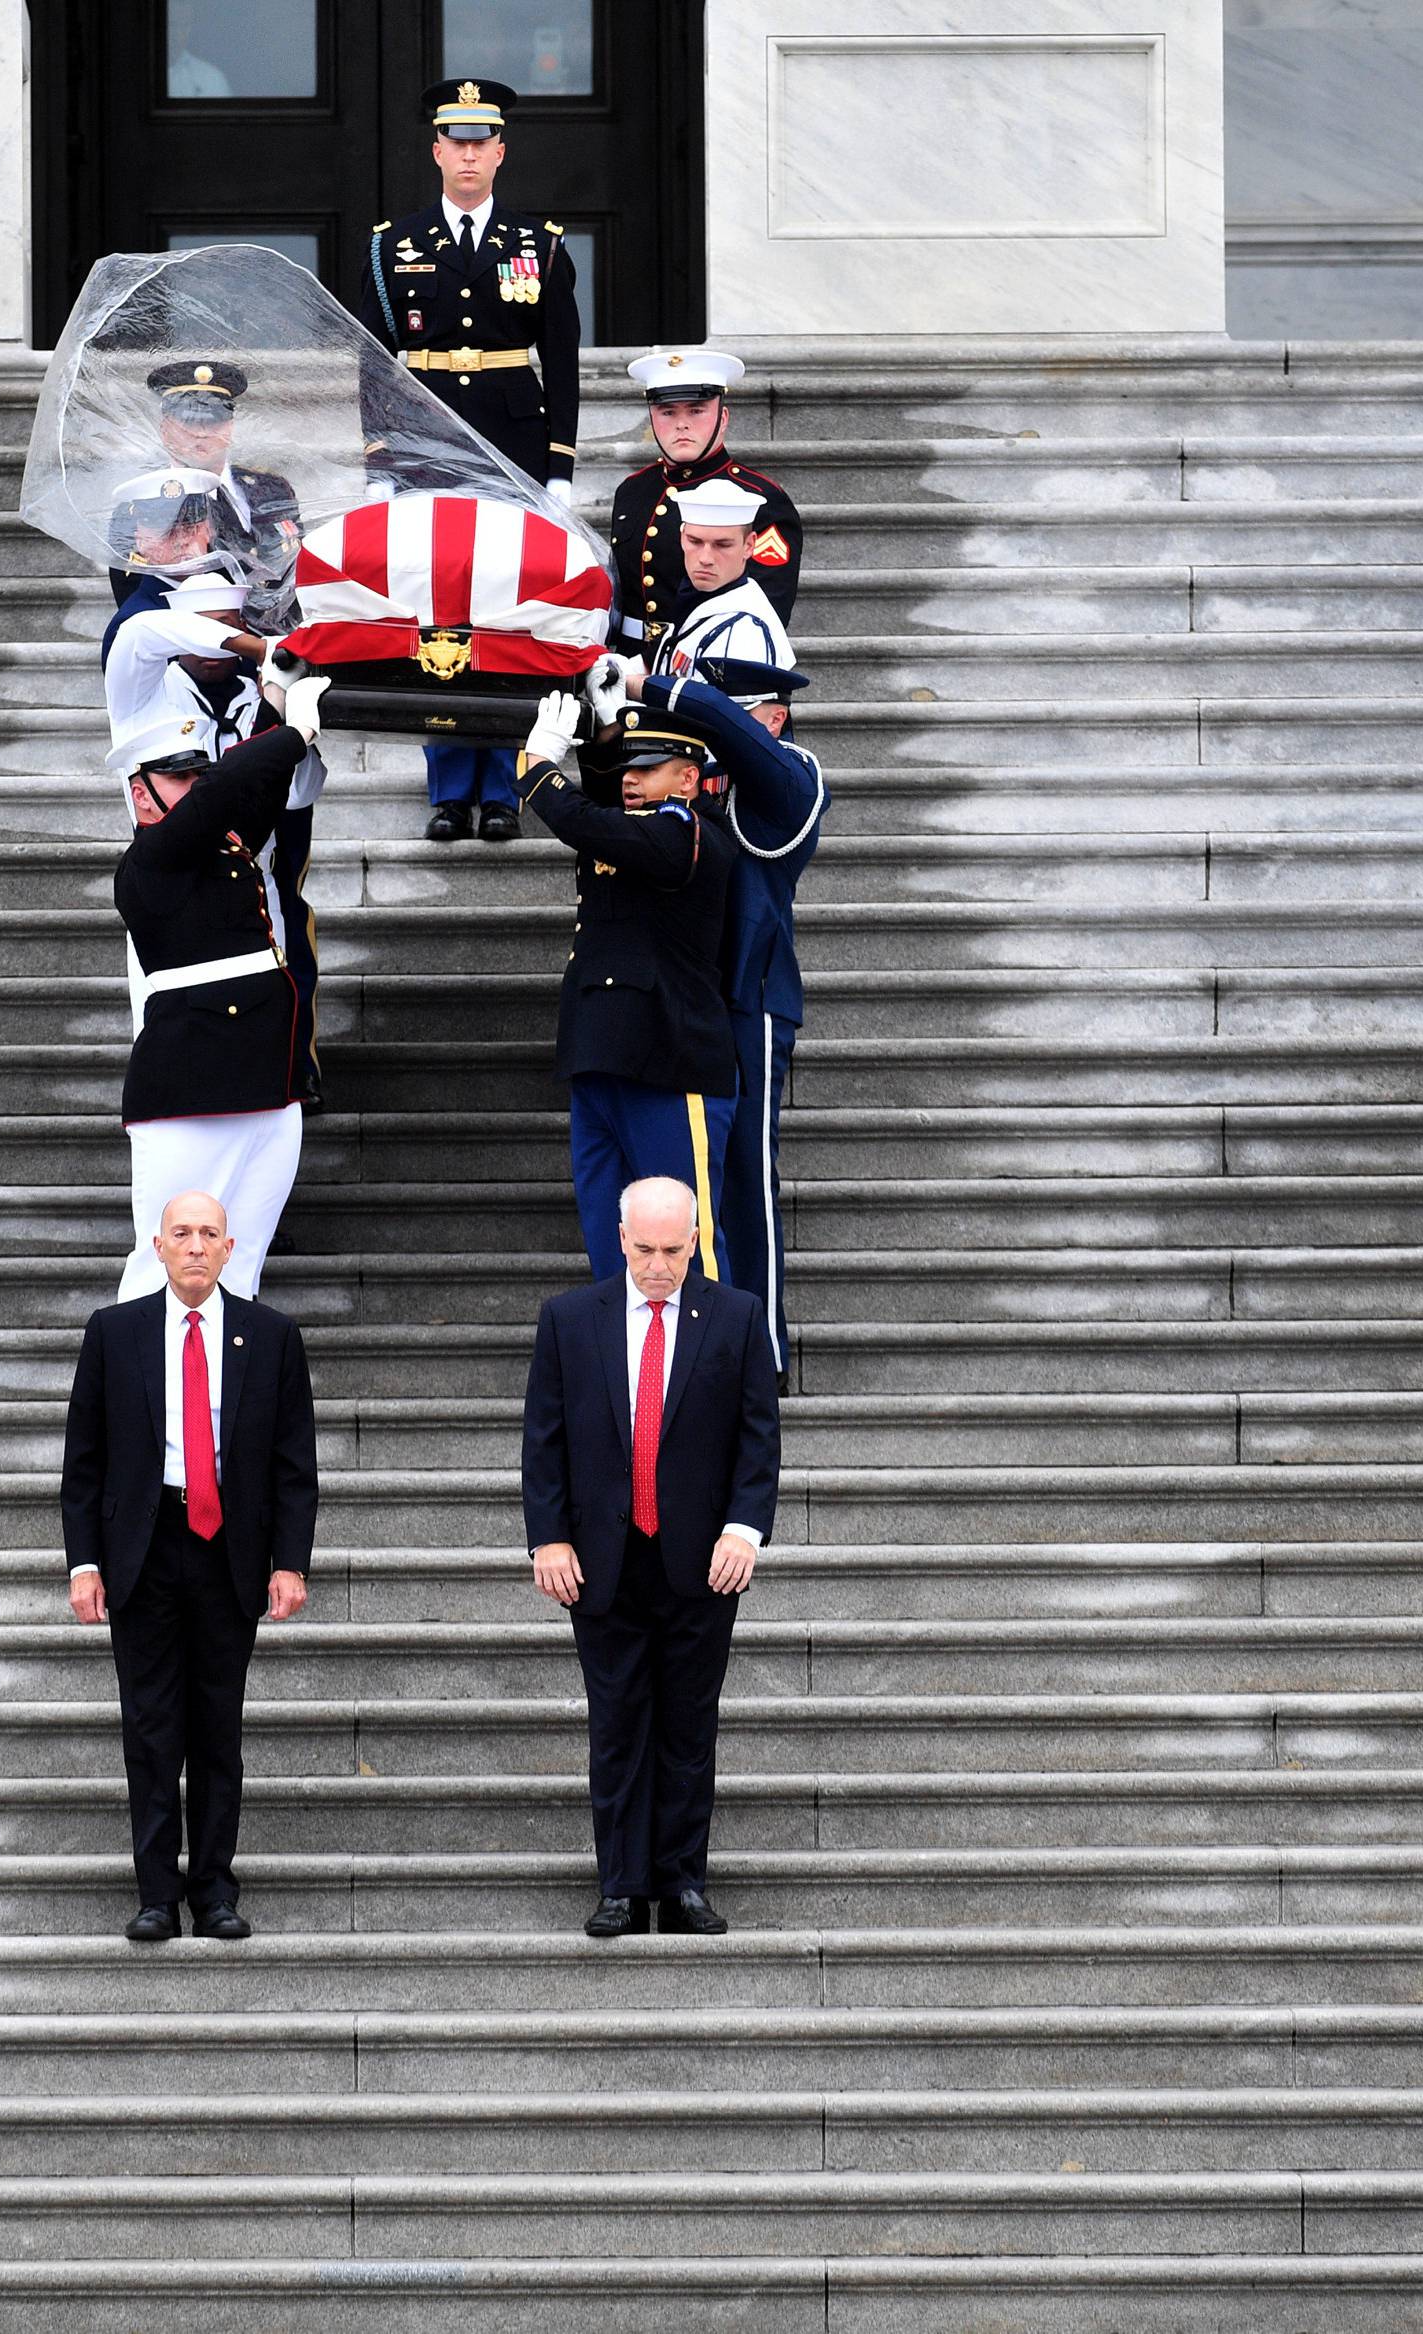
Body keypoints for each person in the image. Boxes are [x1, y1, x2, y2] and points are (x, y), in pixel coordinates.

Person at [522, 1175, 780, 1937]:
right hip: (602, 1558)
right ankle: (621, 1886)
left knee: (688, 1724)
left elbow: (758, 1438)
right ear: (621, 1238)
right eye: (645, 1249)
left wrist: (745, 1528)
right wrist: (549, 1536)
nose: (659, 1265)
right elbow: (545, 1440)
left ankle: (683, 1883)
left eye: (673, 1249)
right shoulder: (571, 1320)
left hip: (701, 1561)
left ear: (695, 1242)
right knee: (618, 1721)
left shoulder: (736, 1318)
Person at [62, 1188, 318, 1942]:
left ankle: (213, 1891)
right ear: (159, 1245)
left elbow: (293, 1465)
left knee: (216, 1730)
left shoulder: (270, 1337)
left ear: (230, 1249)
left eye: (211, 1233)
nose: (198, 1245)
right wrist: (84, 1564)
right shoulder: (115, 1333)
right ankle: (153, 1894)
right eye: (184, 1233)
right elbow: (85, 1463)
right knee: (149, 1727)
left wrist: (290, 1563)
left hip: (229, 1550)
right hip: (144, 1548)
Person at [358, 77, 581, 844]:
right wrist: (381, 457)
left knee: (508, 609)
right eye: (455, 142)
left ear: (500, 153)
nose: (468, 155)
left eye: (482, 142)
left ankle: (504, 788)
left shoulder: (540, 245)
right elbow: (373, 363)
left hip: (514, 443)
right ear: (436, 151)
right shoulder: (395, 245)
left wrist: (558, 466)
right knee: (438, 614)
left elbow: (561, 360)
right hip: (427, 446)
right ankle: (450, 790)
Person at [595, 652, 829, 1382]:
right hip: (687, 1009)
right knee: (686, 1191)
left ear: (774, 718)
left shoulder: (791, 779)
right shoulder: (692, 792)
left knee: (745, 1185)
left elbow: (731, 730)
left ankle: (758, 1356)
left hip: (747, 1006)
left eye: (721, 715)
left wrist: (657, 684)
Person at [108, 669, 329, 1303]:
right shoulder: (149, 861)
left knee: (243, 1267)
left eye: (198, 774)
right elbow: (224, 794)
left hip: (266, 1085)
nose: (196, 786)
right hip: (190, 1096)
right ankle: (139, 1402)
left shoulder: (223, 848)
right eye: (178, 776)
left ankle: (224, 1403)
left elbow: (248, 795)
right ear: (141, 795)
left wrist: (273, 700)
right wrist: (293, 733)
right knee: (166, 1271)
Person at [516, 689, 738, 1282]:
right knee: (613, 1252)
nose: (631, 779)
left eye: (648, 769)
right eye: (628, 769)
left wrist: (540, 767)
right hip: (600, 1057)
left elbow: (592, 825)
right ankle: (631, 1373)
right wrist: (606, 734)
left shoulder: (689, 832)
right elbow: (602, 819)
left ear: (689, 779)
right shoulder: (634, 829)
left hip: (669, 1060)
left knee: (687, 1247)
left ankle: (710, 1373)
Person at [103, 545, 326, 1108]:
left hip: (247, 876)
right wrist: (257, 646)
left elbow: (294, 796)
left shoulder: (263, 695)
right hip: (171, 885)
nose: (217, 640)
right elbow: (142, 632)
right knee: (170, 1024)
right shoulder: (144, 690)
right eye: (205, 627)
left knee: (261, 1014)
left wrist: (285, 704)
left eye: (232, 623)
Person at [610, 349, 801, 660]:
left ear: (722, 418)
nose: (681, 424)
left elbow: (765, 611)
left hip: (706, 665)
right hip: (628, 663)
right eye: (668, 412)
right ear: (652, 419)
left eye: (696, 411)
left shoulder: (759, 498)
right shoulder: (633, 491)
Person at [110, 361, 302, 630]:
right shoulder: (139, 501)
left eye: (213, 420)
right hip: (184, 648)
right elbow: (134, 592)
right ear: (165, 428)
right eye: (188, 420)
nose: (201, 432)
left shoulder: (271, 490)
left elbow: (292, 568)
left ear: (230, 426)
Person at [650, 481, 796, 681]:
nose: (705, 558)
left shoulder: (746, 627)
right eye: (695, 541)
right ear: (682, 537)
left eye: (723, 545)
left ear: (749, 545)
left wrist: (634, 685)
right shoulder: (699, 600)